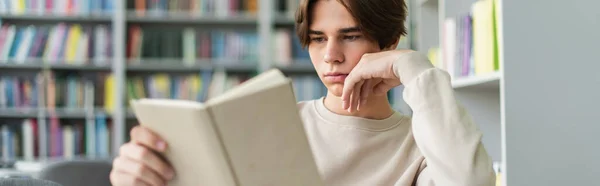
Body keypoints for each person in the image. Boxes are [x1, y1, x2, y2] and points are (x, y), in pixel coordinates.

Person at [109, 0, 496, 185]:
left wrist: (416, 69)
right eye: (316, 39)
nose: (330, 56)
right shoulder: (277, 123)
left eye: (351, 36)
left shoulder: (422, 142)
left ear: (389, 42)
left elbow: (471, 183)